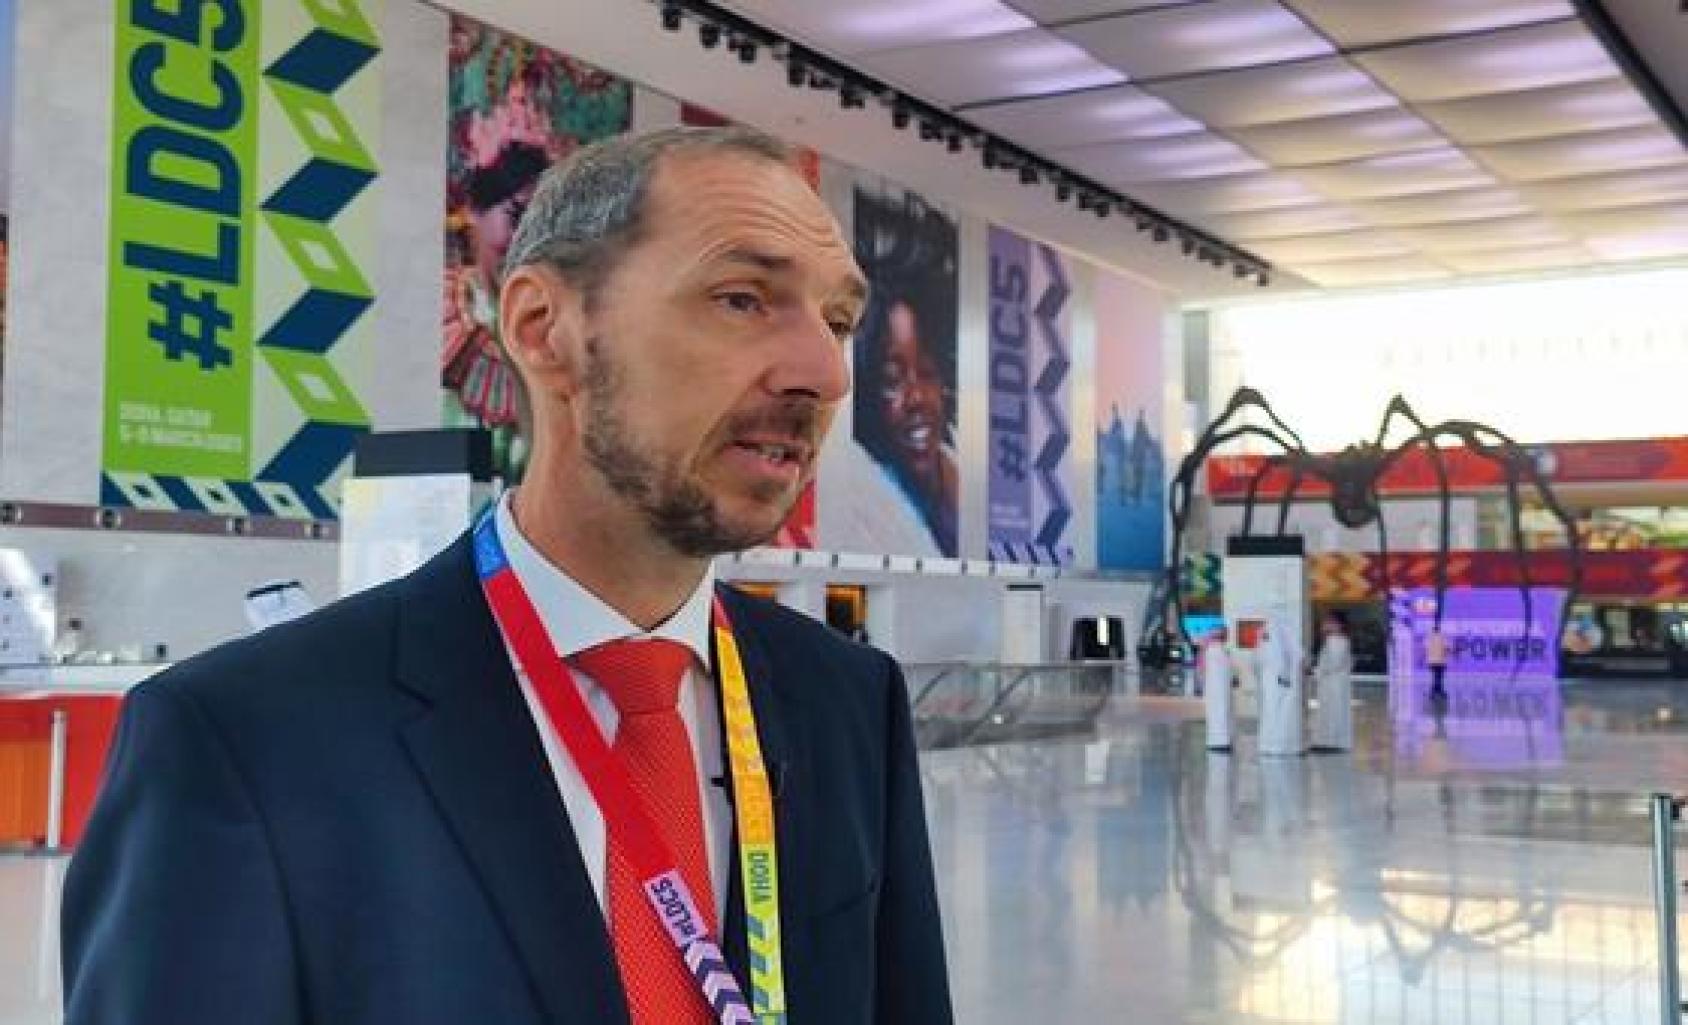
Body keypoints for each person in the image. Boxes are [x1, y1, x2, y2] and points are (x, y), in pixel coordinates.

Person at [63, 127, 954, 1025]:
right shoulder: (246, 742)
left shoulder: (845, 702)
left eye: (838, 321)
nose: (824, 372)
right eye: (742, 298)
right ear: (542, 329)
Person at [1256, 618, 1305, 757]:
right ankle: (1276, 744)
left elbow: (1274, 658)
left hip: (1279, 684)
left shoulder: (1274, 637)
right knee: (1276, 713)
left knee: (1277, 714)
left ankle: (1277, 745)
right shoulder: (1276, 639)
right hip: (1276, 684)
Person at [1310, 611, 1354, 752]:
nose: (1324, 625)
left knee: (1332, 711)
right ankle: (1330, 741)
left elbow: (1332, 664)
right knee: (1332, 711)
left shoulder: (1335, 641)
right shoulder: (1341, 640)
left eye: (1328, 622)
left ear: (1338, 625)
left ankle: (1331, 742)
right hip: (1334, 683)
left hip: (1332, 683)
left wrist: (1313, 671)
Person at [1202, 624, 1235, 752]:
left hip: (1216, 690)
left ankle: (1218, 740)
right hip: (1220, 690)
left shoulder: (1214, 651)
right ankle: (1221, 740)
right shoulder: (1218, 651)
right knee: (1221, 713)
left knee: (1218, 713)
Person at [1426, 625, 1449, 704]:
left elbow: (1426, 649)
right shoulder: (1442, 637)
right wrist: (1446, 654)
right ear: (1439, 630)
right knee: (1439, 677)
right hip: (1440, 661)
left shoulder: (1429, 638)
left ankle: (1434, 691)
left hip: (1432, 661)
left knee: (1435, 676)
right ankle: (1438, 691)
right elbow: (1446, 648)